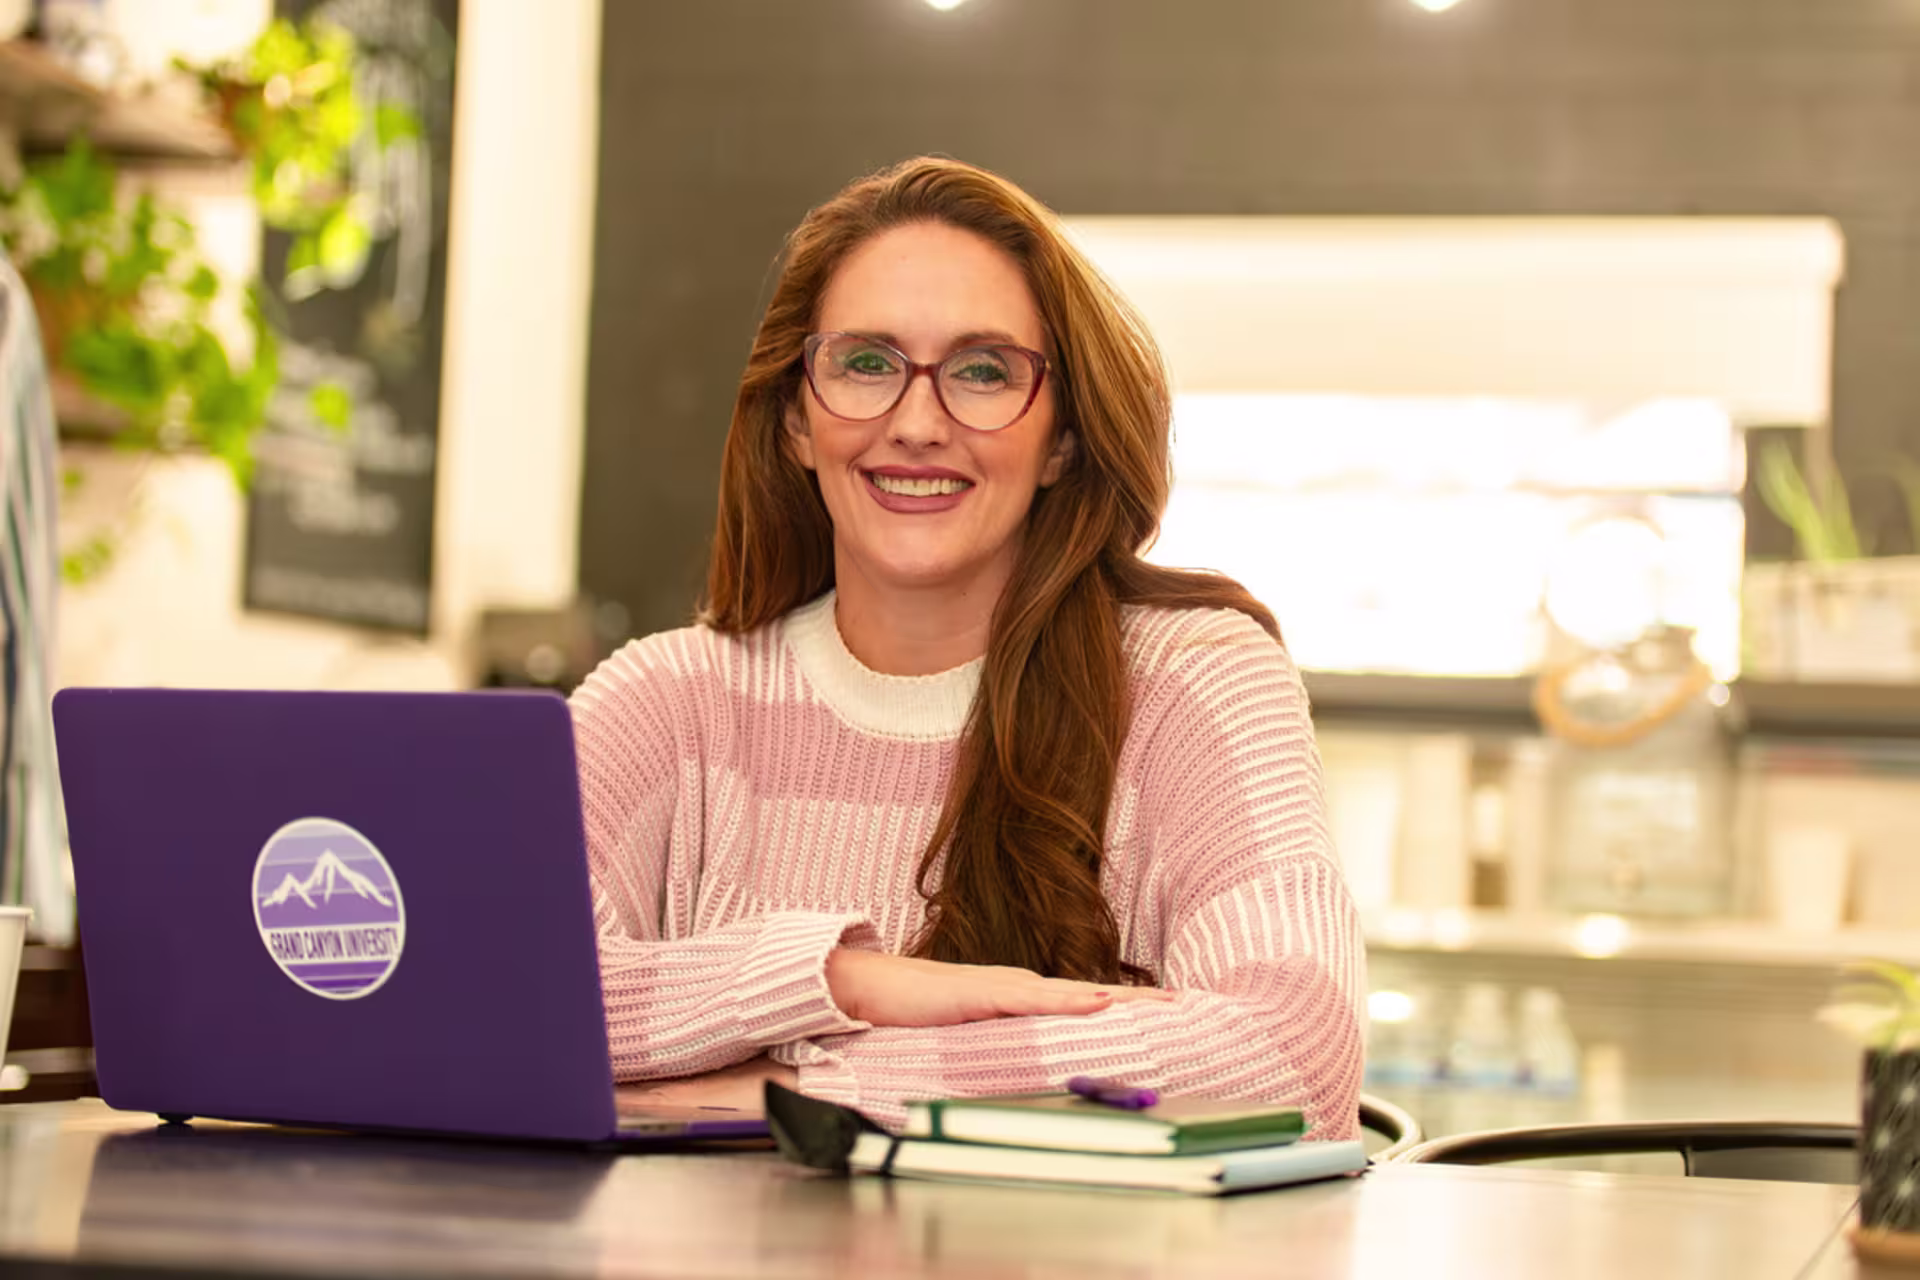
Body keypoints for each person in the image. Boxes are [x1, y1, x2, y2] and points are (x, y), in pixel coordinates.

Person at [571, 156, 1363, 1136]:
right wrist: (840, 980)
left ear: (1063, 438)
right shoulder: (666, 698)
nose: (915, 422)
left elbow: (1289, 1059)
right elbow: (475, 992)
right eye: (865, 363)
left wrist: (801, 1093)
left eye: (983, 371)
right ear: (794, 421)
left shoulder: (1192, 679)